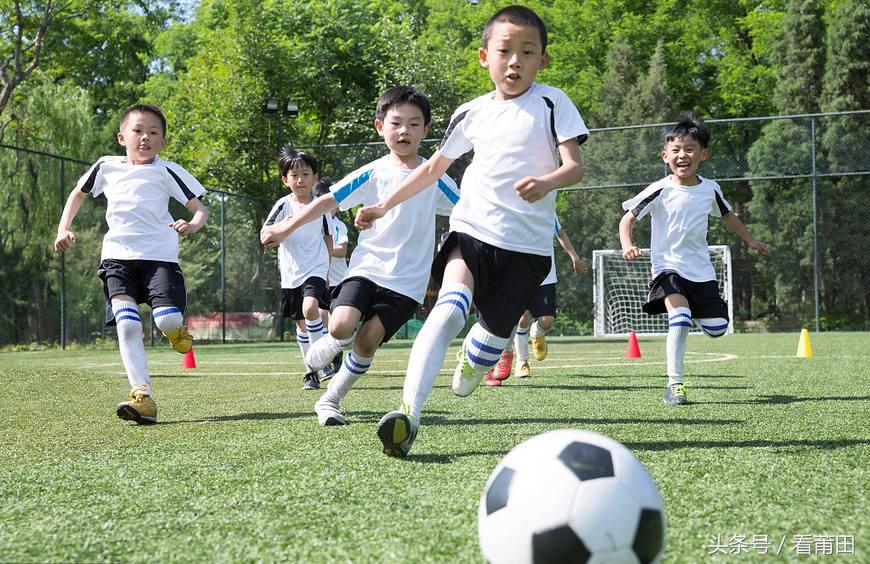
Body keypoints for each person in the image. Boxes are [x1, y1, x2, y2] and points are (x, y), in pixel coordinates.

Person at [355, 5, 589, 457]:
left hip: (527, 250)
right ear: (485, 57)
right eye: (505, 51)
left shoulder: (552, 101)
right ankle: (409, 414)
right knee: (447, 311)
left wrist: (547, 182)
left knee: (478, 360)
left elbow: (575, 167)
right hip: (472, 232)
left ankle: (474, 361)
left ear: (543, 59)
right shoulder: (470, 113)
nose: (515, 61)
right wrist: (383, 204)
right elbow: (431, 171)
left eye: (527, 52)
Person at [260, 86, 459, 426]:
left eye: (414, 124)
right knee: (339, 325)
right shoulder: (374, 172)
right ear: (380, 127)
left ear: (426, 131)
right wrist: (285, 227)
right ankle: (328, 349)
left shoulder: (435, 176)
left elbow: (466, 208)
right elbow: (328, 201)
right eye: (396, 123)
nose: (404, 131)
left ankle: (330, 400)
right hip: (367, 268)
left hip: (408, 282)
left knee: (367, 342)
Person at [54, 103, 208, 425]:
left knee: (165, 320)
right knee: (127, 324)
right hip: (117, 257)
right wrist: (63, 228)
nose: (145, 138)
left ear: (163, 142)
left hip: (159, 258)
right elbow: (78, 194)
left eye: (154, 133)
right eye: (138, 131)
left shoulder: (167, 171)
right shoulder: (106, 166)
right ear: (122, 137)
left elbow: (199, 208)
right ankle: (143, 396)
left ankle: (177, 330)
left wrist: (193, 224)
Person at [619, 112, 769, 405]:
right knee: (680, 319)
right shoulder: (659, 189)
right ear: (665, 156)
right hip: (667, 267)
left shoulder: (710, 189)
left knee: (717, 329)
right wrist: (627, 244)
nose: (682, 155)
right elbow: (627, 219)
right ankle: (675, 385)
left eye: (689, 149)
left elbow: (728, 216)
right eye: (675, 150)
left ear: (704, 154)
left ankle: (702, 310)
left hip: (700, 269)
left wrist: (750, 239)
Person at [484, 217, 586, 386]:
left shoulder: (545, 208)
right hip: (519, 274)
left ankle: (536, 333)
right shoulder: (511, 210)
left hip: (545, 275)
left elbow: (560, 233)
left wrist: (575, 257)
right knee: (520, 317)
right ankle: (519, 361)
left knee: (546, 322)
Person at [263, 148, 334, 391]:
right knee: (302, 326)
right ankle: (310, 371)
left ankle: (323, 361)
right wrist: (276, 232)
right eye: (294, 175)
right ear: (285, 180)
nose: (300, 179)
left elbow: (327, 238)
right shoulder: (282, 205)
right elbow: (265, 234)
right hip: (291, 274)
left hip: (316, 268)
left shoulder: (321, 206)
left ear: (315, 177)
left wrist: (326, 271)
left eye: (306, 174)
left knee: (311, 308)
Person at [313, 177, 348, 376]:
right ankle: (322, 361)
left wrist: (323, 249)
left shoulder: (338, 226)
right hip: (319, 278)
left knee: (337, 324)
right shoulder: (311, 225)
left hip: (339, 281)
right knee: (319, 317)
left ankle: (336, 357)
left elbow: (342, 250)